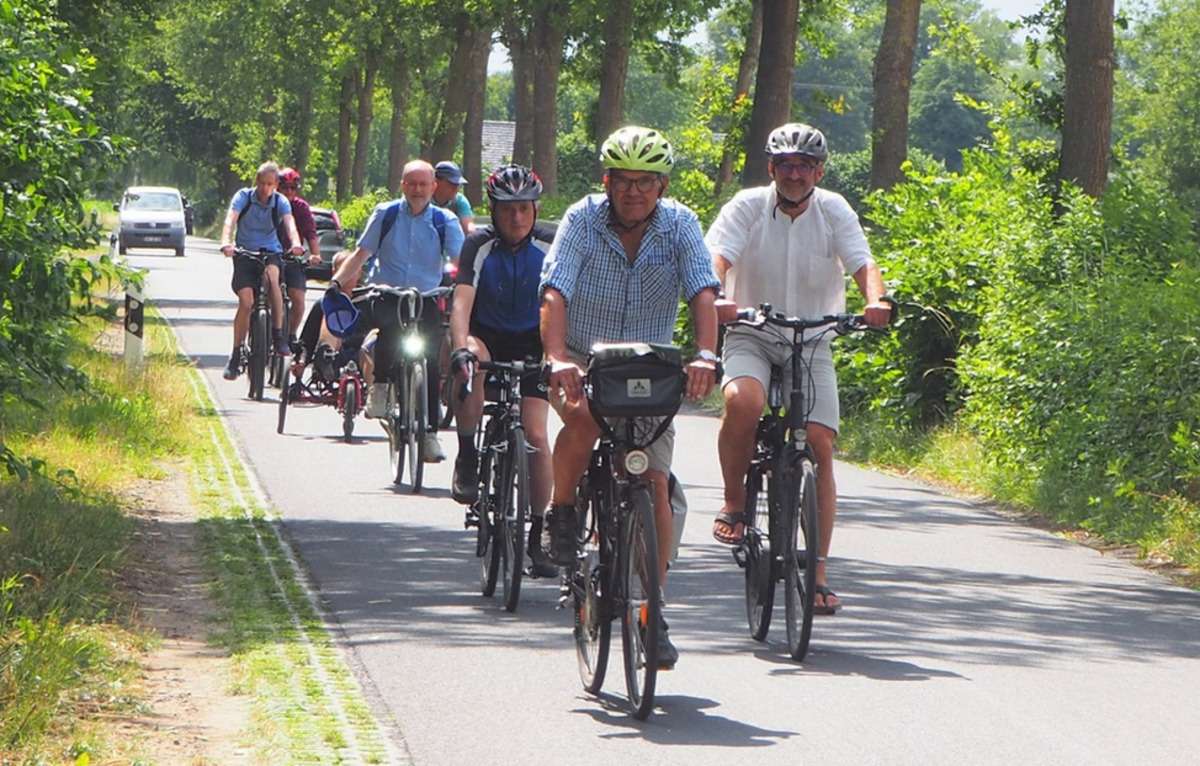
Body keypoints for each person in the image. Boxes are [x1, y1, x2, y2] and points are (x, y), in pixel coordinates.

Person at [540, 126, 720, 668]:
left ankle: (652, 610)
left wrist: (706, 356)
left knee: (655, 481)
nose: (634, 192)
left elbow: (703, 291)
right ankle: (563, 511)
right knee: (586, 423)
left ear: (662, 185)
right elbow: (555, 291)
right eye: (623, 181)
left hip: (647, 365)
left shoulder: (682, 224)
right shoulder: (581, 219)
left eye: (645, 181)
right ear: (607, 181)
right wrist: (557, 359)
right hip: (583, 356)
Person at [705, 123, 892, 615]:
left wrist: (876, 301)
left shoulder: (834, 210)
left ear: (818, 171)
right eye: (785, 165)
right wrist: (720, 298)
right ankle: (734, 503)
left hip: (811, 339)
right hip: (752, 332)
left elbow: (863, 262)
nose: (795, 174)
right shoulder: (745, 207)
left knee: (820, 443)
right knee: (743, 401)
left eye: (804, 166)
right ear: (771, 169)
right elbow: (716, 257)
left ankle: (820, 573)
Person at [448, 164, 558, 577]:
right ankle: (467, 455)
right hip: (486, 334)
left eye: (525, 209)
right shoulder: (478, 244)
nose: (517, 218)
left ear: (535, 209)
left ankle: (539, 529)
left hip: (533, 340)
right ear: (493, 210)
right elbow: (461, 302)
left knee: (536, 435)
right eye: (508, 209)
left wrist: (556, 354)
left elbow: (560, 301)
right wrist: (461, 348)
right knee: (470, 366)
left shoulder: (551, 244)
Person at [330, 159, 465, 462]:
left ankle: (429, 435)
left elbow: (462, 260)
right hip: (389, 293)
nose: (418, 190)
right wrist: (338, 283)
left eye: (424, 184)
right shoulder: (386, 214)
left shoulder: (445, 221)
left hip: (427, 297)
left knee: (430, 359)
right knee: (389, 328)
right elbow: (362, 253)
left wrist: (473, 287)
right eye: (412, 184)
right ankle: (379, 387)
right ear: (403, 185)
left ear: (434, 187)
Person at [220, 161, 306, 380]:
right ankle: (236, 352)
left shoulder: (281, 202)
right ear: (256, 182)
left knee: (273, 278)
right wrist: (226, 242)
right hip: (245, 253)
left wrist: (296, 244)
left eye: (270, 184)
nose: (266, 189)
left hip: (270, 252)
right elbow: (231, 220)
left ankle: (278, 336)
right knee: (246, 302)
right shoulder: (244, 197)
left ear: (276, 184)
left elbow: (290, 224)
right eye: (262, 183)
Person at [276, 167, 323, 345]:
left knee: (298, 298)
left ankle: (290, 334)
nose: (288, 192)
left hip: (292, 258)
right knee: (265, 294)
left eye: (292, 188)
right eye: (284, 187)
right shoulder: (270, 204)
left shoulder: (301, 207)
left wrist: (315, 254)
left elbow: (311, 233)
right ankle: (260, 329)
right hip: (269, 257)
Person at [433, 161, 475, 237]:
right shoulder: (423, 200)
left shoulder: (460, 201)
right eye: (451, 183)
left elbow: (468, 227)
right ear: (436, 181)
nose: (456, 188)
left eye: (458, 185)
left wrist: (473, 235)